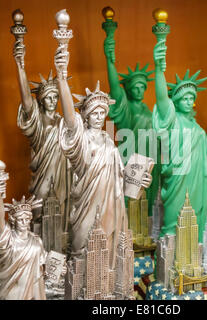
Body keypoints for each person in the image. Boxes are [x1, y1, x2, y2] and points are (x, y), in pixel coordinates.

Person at [54, 47, 151, 267]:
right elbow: (70, 120)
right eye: (94, 113)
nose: (99, 117)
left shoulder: (108, 141)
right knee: (85, 251)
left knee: (110, 258)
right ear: (86, 116)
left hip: (112, 207)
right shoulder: (82, 140)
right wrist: (62, 77)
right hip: (88, 206)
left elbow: (120, 179)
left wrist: (141, 181)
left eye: (102, 113)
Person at [152, 39, 207, 240]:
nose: (189, 102)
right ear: (176, 102)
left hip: (199, 184)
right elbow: (162, 98)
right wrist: (159, 68)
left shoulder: (198, 129)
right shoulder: (172, 120)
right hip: (178, 181)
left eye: (191, 98)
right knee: (174, 226)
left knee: (196, 226)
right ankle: (169, 263)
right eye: (184, 98)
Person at [13, 35, 70, 228]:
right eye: (48, 97)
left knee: (61, 214)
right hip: (43, 175)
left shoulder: (63, 121)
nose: (53, 100)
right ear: (41, 100)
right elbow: (27, 100)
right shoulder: (37, 120)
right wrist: (20, 66)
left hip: (62, 174)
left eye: (56, 97)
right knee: (41, 214)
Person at [103, 33, 160, 218]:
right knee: (130, 203)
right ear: (128, 89)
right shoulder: (125, 107)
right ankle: (126, 236)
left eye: (143, 87)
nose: (140, 90)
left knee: (146, 204)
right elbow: (114, 89)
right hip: (132, 159)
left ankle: (141, 238)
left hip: (149, 158)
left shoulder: (147, 108)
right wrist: (110, 60)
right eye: (136, 86)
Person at [0, 174, 46, 300]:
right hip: (12, 292)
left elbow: (40, 272)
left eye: (27, 219)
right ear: (13, 221)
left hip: (32, 291)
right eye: (20, 219)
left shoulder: (36, 241)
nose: (24, 222)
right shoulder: (9, 240)